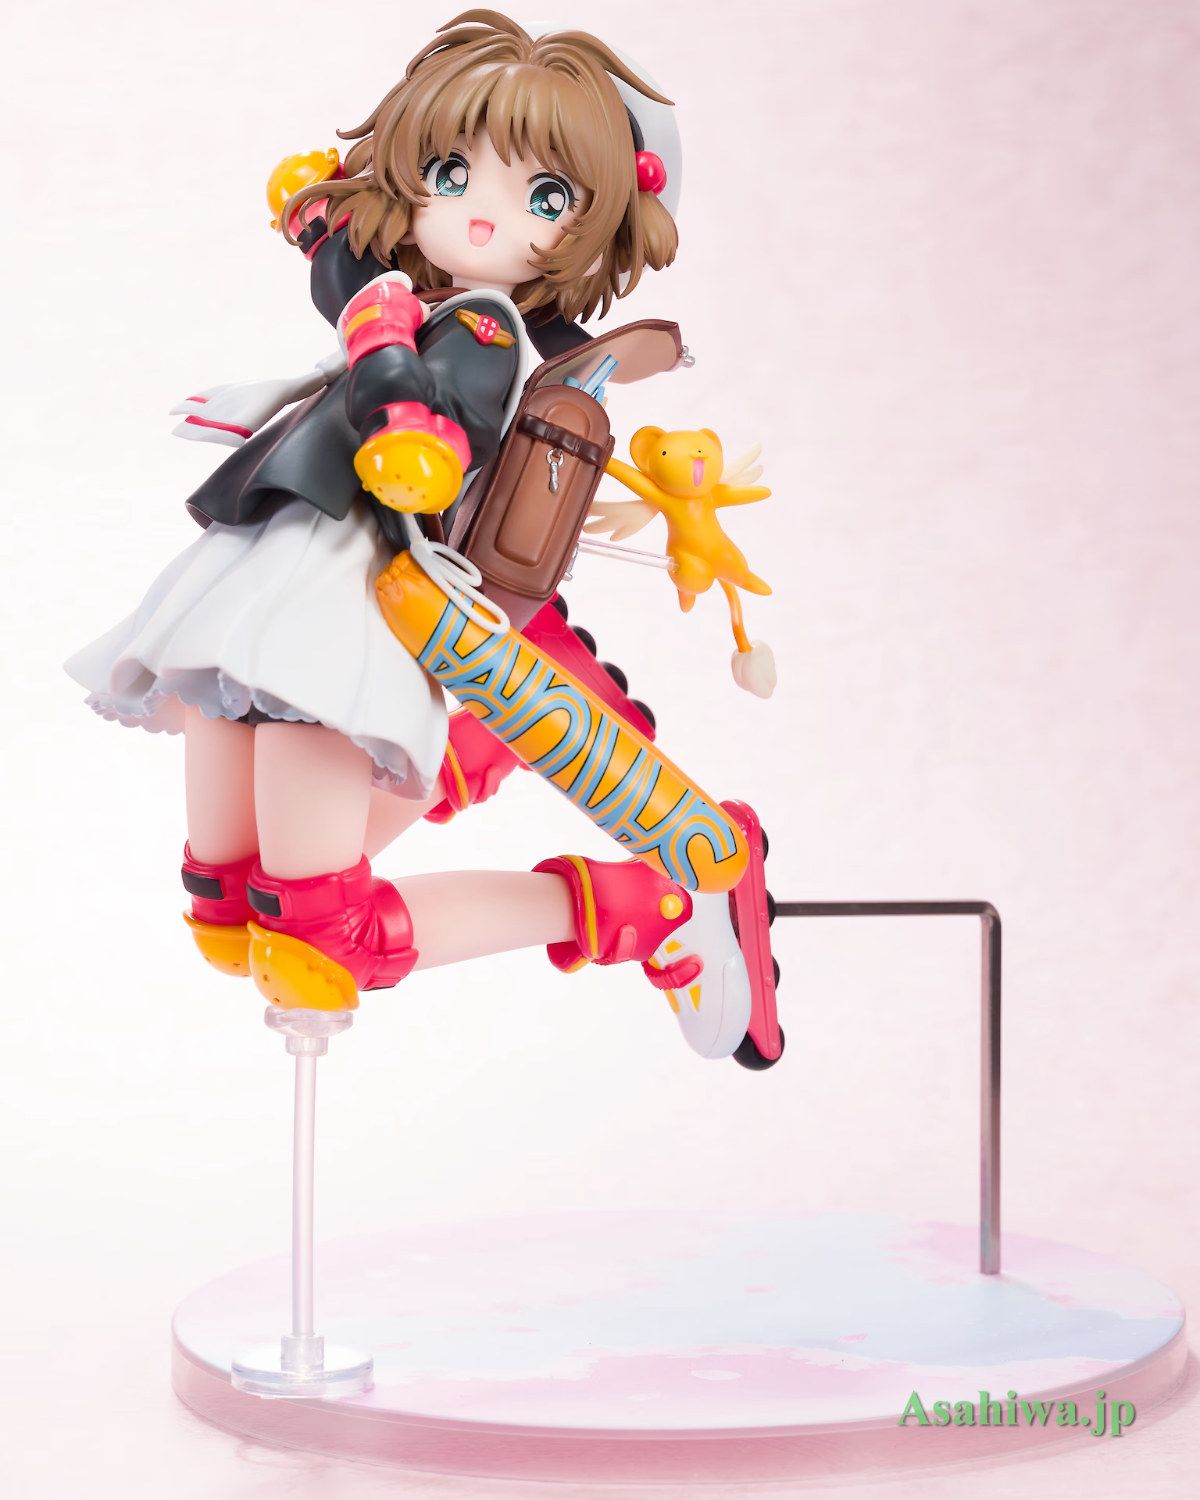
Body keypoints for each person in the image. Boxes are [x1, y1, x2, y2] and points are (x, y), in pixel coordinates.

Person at [64, 11, 757, 1062]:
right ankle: (493, 783)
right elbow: (345, 278)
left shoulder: (485, 330)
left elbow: (451, 407)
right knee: (224, 905)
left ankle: (642, 908)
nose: (482, 213)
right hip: (270, 566)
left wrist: (411, 418)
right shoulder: (399, 296)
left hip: (350, 595)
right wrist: (326, 234)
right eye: (450, 171)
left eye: (544, 197)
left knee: (318, 936)